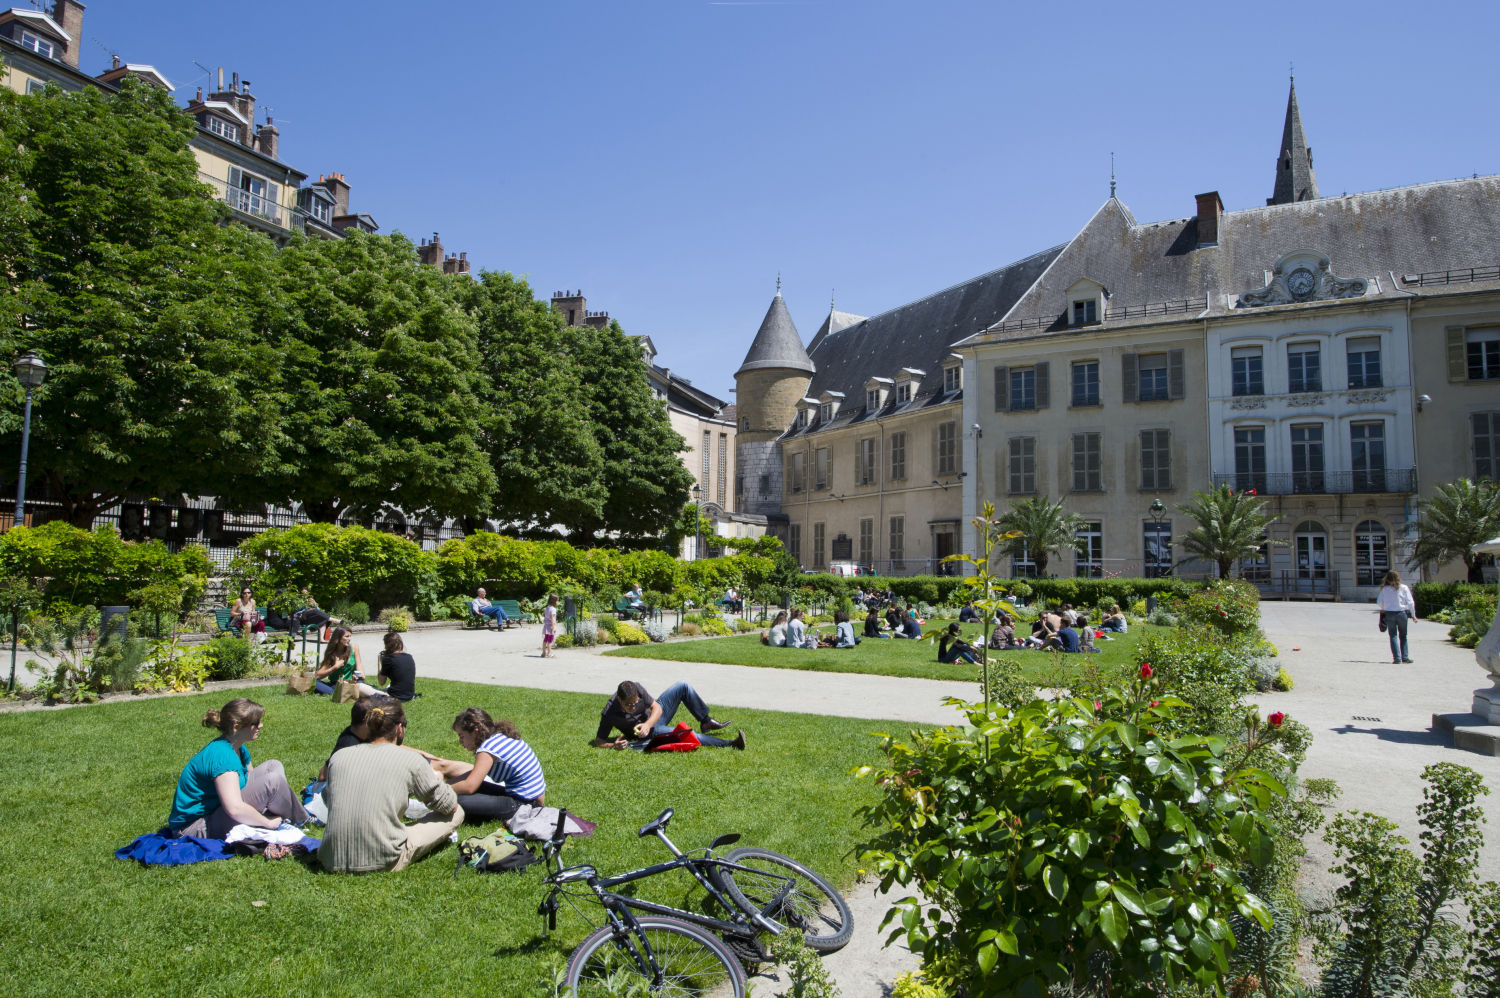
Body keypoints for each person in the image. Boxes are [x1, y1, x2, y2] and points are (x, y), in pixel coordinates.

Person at [320, 699, 463, 873]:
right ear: (399, 728)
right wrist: (441, 782)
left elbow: (328, 797)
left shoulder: (339, 757)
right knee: (458, 813)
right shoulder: (410, 760)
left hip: (331, 857)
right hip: (384, 858)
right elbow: (449, 805)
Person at [167, 698, 308, 838]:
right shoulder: (223, 757)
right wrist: (267, 823)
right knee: (272, 781)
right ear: (236, 727)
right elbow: (234, 809)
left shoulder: (238, 747)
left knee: (273, 766)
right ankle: (298, 821)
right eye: (256, 723)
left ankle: (294, 818)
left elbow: (250, 782)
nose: (261, 725)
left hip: (217, 811)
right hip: (195, 827)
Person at [428, 708, 547, 823]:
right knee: (465, 789)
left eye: (461, 736)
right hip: (532, 798)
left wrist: (441, 791)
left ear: (475, 731)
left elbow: (470, 786)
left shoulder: (488, 749)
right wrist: (445, 785)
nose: (460, 741)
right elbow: (474, 775)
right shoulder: (499, 736)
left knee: (457, 799)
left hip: (525, 804)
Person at [591, 680, 745, 750]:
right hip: (650, 733)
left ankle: (706, 721)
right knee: (686, 733)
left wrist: (648, 723)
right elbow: (598, 741)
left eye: (636, 703)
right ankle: (730, 743)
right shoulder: (609, 712)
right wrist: (613, 746)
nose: (633, 707)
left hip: (653, 720)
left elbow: (656, 707)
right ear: (619, 699)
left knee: (682, 686)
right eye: (628, 705)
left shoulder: (637, 688)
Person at [315, 626, 378, 697]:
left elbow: (359, 665)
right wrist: (334, 667)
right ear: (338, 638)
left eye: (350, 636)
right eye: (346, 636)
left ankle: (361, 690)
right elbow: (318, 676)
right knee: (314, 682)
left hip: (352, 682)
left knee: (360, 684)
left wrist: (360, 674)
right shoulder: (332, 653)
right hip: (336, 684)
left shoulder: (354, 647)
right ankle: (341, 692)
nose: (349, 639)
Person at [1377, 570, 1418, 663]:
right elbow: (1410, 602)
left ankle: (1397, 658)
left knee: (1393, 636)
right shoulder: (1404, 588)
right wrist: (1413, 615)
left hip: (1390, 613)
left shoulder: (1384, 589)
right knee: (1403, 636)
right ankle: (1405, 657)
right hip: (1402, 613)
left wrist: (1384, 607)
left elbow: (1379, 601)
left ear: (1387, 578)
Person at [376, 631, 417, 701]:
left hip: (394, 696)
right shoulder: (409, 657)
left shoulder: (388, 659)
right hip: (409, 695)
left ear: (387, 645)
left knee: (360, 686)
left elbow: (381, 682)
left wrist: (380, 661)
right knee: (392, 684)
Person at [541, 593, 558, 658]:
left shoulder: (547, 608)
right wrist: (554, 627)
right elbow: (552, 619)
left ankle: (543, 653)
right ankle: (549, 653)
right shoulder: (553, 609)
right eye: (557, 601)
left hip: (546, 626)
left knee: (545, 639)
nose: (557, 602)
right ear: (554, 601)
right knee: (550, 640)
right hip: (550, 627)